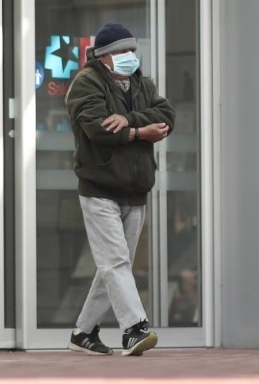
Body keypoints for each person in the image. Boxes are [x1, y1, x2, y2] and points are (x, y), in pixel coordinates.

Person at [65, 22, 176, 356]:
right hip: (100, 188)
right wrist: (142, 132)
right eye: (121, 52)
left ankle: (83, 333)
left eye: (131, 50)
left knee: (115, 265)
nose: (129, 56)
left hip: (136, 189)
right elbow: (98, 127)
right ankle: (134, 329)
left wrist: (129, 120)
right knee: (115, 262)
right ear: (103, 56)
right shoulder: (86, 83)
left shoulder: (142, 82)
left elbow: (167, 114)